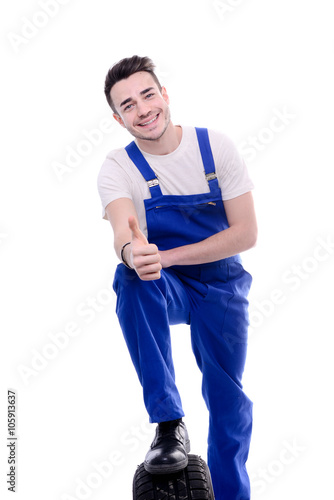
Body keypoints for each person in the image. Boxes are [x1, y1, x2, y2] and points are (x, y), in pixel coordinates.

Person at [97, 55, 257, 500]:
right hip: (164, 285)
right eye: (127, 104)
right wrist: (135, 253)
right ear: (117, 117)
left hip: (222, 285)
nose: (142, 109)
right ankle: (168, 423)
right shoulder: (118, 167)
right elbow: (121, 231)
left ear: (164, 95)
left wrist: (167, 256)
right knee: (130, 280)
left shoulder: (215, 148)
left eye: (148, 94)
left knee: (228, 406)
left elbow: (245, 233)